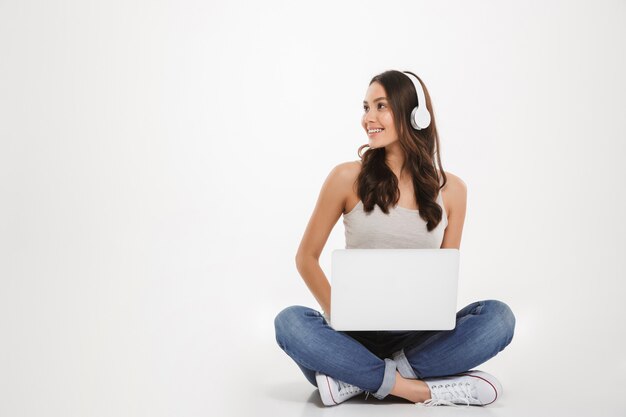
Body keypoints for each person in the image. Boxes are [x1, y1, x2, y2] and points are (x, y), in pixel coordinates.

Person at [274, 70, 516, 407]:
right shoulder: (346, 178)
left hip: (420, 339)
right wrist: (341, 315)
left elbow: (443, 282)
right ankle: (417, 388)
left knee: (499, 318)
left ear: (414, 115)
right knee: (290, 323)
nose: (367, 118)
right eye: (365, 107)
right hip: (351, 339)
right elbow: (306, 258)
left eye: (380, 106)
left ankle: (356, 381)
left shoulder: (454, 191)